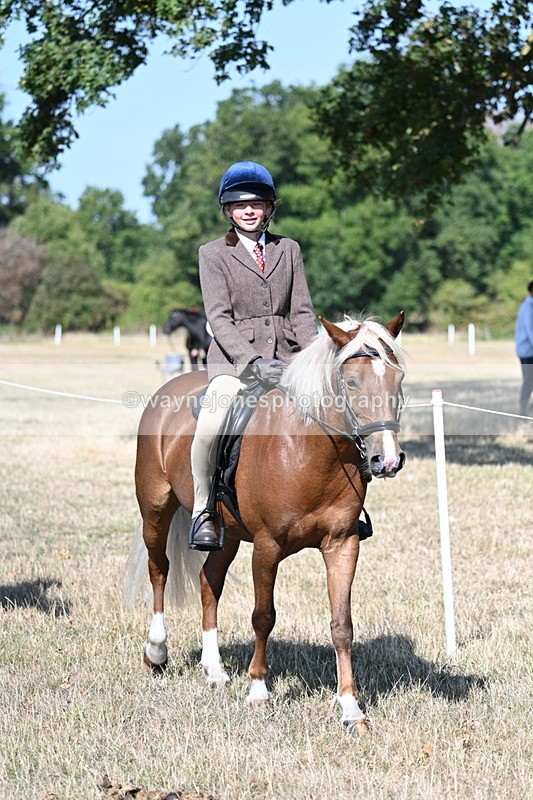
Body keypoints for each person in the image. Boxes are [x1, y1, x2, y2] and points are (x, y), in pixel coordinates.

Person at [189, 160, 318, 550]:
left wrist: (313, 361)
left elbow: (302, 312)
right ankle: (203, 510)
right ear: (228, 211)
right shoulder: (212, 254)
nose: (249, 210)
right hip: (235, 363)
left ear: (269, 209)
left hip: (290, 357)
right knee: (212, 422)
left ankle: (345, 506)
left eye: (258, 204)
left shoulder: (288, 248)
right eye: (240, 205)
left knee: (335, 407)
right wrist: (253, 362)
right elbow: (219, 318)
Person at [515, 280, 533, 417]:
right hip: (528, 352)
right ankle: (522, 411)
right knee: (529, 381)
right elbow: (530, 330)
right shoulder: (528, 308)